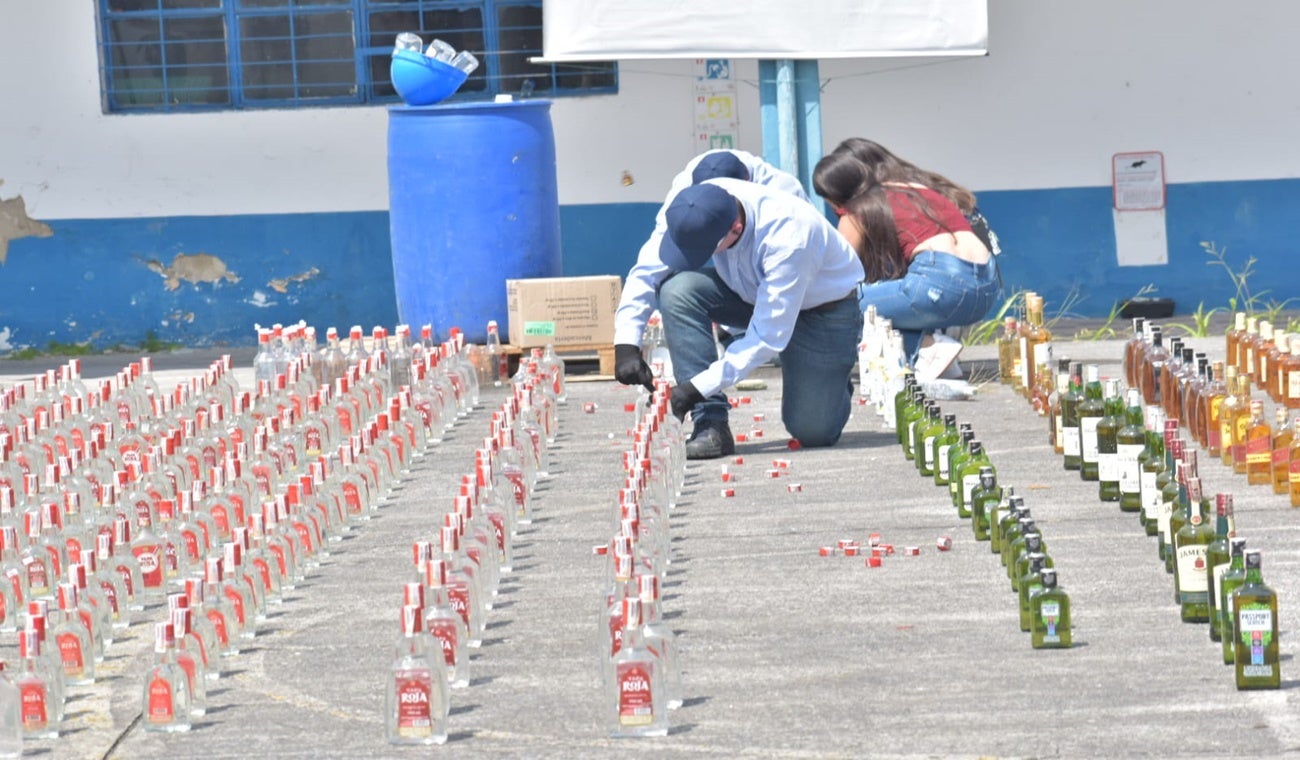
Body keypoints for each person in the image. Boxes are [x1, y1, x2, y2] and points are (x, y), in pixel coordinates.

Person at [613, 178, 864, 459]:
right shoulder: (693, 206)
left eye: (704, 250)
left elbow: (766, 337)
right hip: (752, 295)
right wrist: (626, 344)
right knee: (678, 290)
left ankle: (831, 378)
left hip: (821, 311)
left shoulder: (789, 236)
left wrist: (692, 390)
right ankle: (711, 423)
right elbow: (646, 272)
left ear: (736, 228)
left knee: (814, 431)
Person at [812, 140, 1000, 374]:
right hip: (986, 289)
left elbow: (836, 274)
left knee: (836, 308)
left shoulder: (857, 209)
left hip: (939, 286)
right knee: (888, 297)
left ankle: (927, 348)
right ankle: (939, 354)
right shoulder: (919, 188)